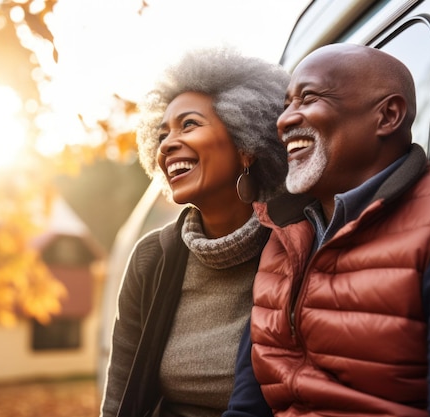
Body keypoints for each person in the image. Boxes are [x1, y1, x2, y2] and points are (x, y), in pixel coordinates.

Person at [227, 43, 430, 417]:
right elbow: (247, 407)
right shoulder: (282, 235)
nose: (284, 121)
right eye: (286, 105)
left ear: (388, 116)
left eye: (307, 98)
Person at [99, 47, 309, 417]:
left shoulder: (297, 244)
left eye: (189, 124)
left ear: (247, 146)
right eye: (162, 134)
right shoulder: (152, 259)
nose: (167, 145)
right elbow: (120, 400)